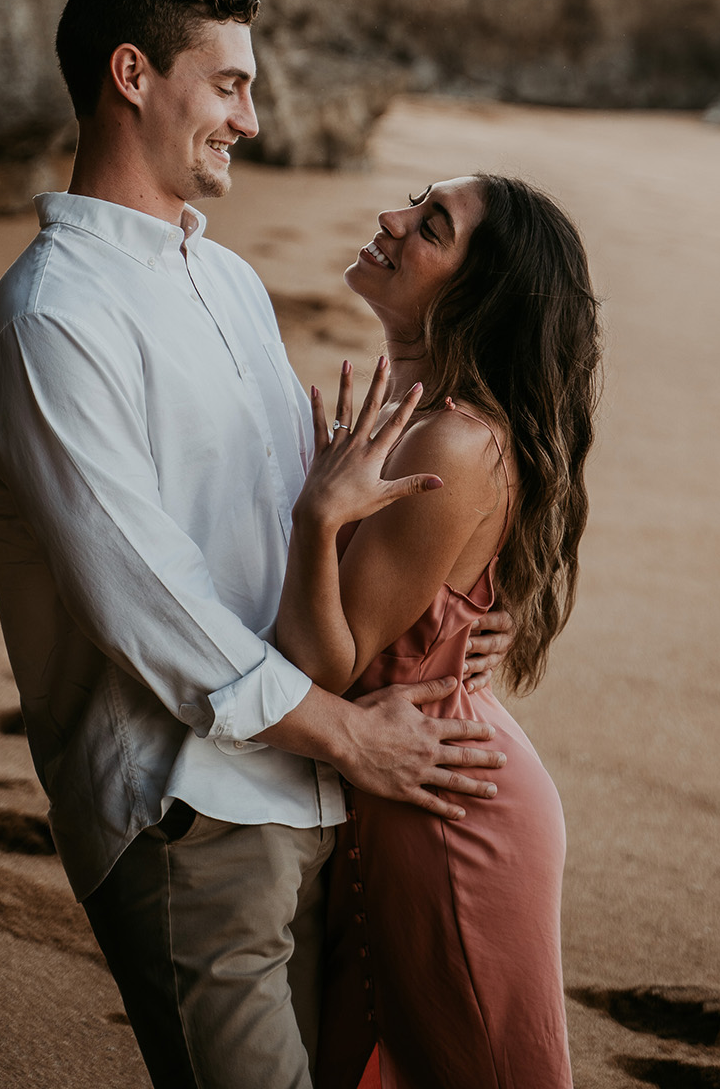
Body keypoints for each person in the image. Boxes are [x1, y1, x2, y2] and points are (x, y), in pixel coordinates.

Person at [0, 0, 515, 1089]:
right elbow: (150, 605)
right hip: (189, 815)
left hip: (315, 799)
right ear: (131, 75)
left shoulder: (227, 283)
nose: (250, 121)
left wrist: (446, 616)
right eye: (227, 85)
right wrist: (355, 734)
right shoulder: (54, 318)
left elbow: (294, 532)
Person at [274, 174, 601, 1089]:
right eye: (414, 203)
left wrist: (317, 520)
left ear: (474, 292)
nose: (390, 219)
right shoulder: (426, 420)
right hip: (412, 776)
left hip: (450, 815)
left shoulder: (451, 443)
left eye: (430, 227)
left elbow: (322, 667)